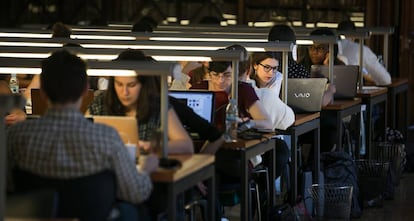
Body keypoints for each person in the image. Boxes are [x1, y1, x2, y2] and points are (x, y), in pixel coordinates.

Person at [6, 50, 159, 219]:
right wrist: (145, 169)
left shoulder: (16, 136)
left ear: (42, 91)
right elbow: (135, 194)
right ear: (86, 90)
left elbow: (6, 187)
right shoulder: (107, 137)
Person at [88, 50, 194, 155]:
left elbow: (186, 145)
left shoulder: (158, 106)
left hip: (147, 168)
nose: (125, 92)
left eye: (131, 85)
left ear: (143, 85)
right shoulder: (101, 103)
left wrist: (151, 146)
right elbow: (81, 136)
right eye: (119, 84)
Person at [337, 20, 392, 85]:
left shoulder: (329, 47)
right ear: (355, 35)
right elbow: (385, 79)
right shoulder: (361, 49)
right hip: (353, 92)